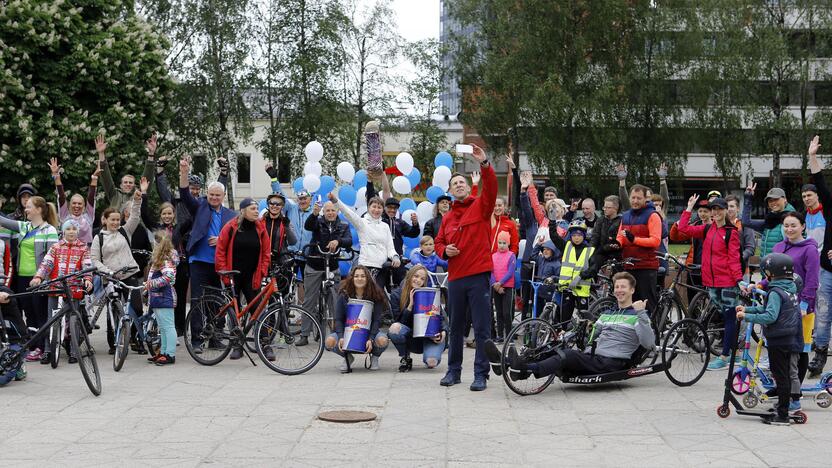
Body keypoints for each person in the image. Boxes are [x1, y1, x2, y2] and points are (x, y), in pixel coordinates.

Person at [485, 272, 654, 382]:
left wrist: (641, 313)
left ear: (632, 290)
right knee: (553, 348)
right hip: (594, 357)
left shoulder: (637, 315)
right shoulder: (607, 314)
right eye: (617, 287)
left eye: (623, 287)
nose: (619, 290)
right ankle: (505, 363)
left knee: (567, 356)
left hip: (612, 362)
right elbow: (590, 336)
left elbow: (648, 343)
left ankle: (523, 368)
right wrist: (569, 334)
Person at [435, 143, 497, 391]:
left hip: (478, 275)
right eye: (454, 184)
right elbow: (439, 242)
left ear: (467, 186)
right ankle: (454, 371)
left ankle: (481, 374)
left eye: (462, 182)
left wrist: (484, 164)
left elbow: (491, 189)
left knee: (482, 328)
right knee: (456, 327)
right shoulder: (447, 217)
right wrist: (444, 251)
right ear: (449, 191)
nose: (459, 185)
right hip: (456, 277)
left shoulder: (481, 206)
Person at [736, 253, 803, 426]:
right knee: (785, 375)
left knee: (780, 376)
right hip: (789, 338)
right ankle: (784, 406)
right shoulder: (789, 289)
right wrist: (748, 310)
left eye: (765, 272)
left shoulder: (775, 292)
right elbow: (766, 308)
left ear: (771, 274)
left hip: (778, 340)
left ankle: (782, 415)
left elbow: (770, 316)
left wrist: (746, 317)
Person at [676, 196, 743, 371]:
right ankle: (732, 348)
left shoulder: (731, 232)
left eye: (719, 209)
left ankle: (725, 355)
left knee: (729, 317)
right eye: (713, 209)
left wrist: (739, 280)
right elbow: (683, 228)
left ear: (725, 211)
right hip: (711, 282)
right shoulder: (707, 229)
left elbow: (734, 259)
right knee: (723, 317)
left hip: (728, 282)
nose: (715, 212)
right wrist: (689, 208)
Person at [760, 211, 818, 407]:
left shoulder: (809, 250)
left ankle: (795, 394)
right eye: (786, 225)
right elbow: (771, 274)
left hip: (800, 307)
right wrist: (759, 285)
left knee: (798, 352)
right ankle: (782, 388)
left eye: (793, 225)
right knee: (779, 351)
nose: (789, 229)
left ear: (803, 226)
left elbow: (812, 280)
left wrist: (805, 304)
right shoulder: (778, 247)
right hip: (780, 308)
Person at [178, 157, 236, 352]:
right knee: (197, 301)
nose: (213, 198)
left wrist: (221, 239)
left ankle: (214, 337)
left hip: (219, 264)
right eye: (211, 194)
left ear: (223, 196)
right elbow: (185, 194)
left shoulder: (230, 215)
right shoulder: (200, 206)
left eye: (217, 195)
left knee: (216, 302)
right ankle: (196, 340)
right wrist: (184, 171)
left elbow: (235, 238)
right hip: (198, 262)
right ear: (207, 194)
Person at [0, 196, 60, 361]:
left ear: (39, 210)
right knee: (29, 314)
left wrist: (41, 278)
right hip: (22, 278)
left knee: (40, 314)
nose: (25, 210)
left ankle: (44, 347)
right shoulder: (24, 227)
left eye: (28, 207)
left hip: (39, 279)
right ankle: (34, 346)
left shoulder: (50, 231)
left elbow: (51, 259)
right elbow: (3, 221)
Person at [215, 198, 272, 360]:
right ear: (243, 211)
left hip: (252, 276)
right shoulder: (231, 227)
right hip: (232, 276)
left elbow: (266, 253)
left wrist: (262, 272)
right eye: (253, 208)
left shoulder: (260, 228)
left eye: (256, 208)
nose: (256, 211)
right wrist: (223, 272)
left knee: (258, 310)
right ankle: (236, 345)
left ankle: (265, 344)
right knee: (235, 312)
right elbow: (220, 250)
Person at [31, 219, 93, 364]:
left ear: (78, 231)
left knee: (74, 320)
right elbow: (46, 263)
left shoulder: (83, 248)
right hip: (55, 287)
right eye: (68, 229)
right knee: (51, 320)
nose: (71, 231)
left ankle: (73, 351)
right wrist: (38, 277)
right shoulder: (56, 247)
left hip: (74, 289)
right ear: (63, 231)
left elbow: (87, 266)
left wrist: (88, 279)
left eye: (74, 229)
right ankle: (48, 350)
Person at [91, 191, 145, 354]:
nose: (115, 222)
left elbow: (135, 216)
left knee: (137, 307)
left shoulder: (125, 231)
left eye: (117, 219)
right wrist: (108, 272)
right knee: (113, 309)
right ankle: (113, 343)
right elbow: (95, 260)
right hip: (111, 278)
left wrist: (137, 200)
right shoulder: (98, 238)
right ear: (105, 220)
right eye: (112, 219)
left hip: (129, 275)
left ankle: (137, 339)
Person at [139, 178, 188, 343]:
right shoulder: (157, 228)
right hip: (161, 268)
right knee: (160, 299)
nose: (167, 216)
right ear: (161, 215)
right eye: (164, 213)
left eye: (170, 213)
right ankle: (160, 330)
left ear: (174, 214)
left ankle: (178, 330)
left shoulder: (179, 228)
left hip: (178, 268)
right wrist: (144, 194)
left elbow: (193, 216)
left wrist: (185, 194)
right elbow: (144, 215)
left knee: (179, 300)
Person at [298, 199, 352, 346]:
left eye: (333, 210)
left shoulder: (343, 225)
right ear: (324, 212)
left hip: (332, 265)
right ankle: (304, 334)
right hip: (314, 264)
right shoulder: (318, 222)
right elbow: (309, 226)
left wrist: (338, 242)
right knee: (309, 300)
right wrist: (314, 214)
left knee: (335, 300)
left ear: (337, 212)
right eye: (327, 210)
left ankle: (337, 333)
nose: (330, 213)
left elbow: (349, 241)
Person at [326, 265, 390, 372]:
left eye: (363, 276)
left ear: (367, 279)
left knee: (383, 340)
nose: (359, 279)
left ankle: (375, 357)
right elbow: (338, 319)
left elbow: (377, 320)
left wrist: (371, 338)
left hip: (369, 332)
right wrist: (341, 337)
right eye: (356, 276)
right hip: (348, 332)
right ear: (352, 278)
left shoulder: (376, 295)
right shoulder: (344, 294)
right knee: (329, 342)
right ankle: (347, 357)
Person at [333, 191, 400, 290]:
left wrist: (395, 257)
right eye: (374, 207)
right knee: (363, 296)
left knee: (378, 299)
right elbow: (348, 213)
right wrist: (335, 201)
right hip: (365, 266)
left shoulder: (385, 226)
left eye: (379, 207)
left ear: (383, 210)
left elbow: (390, 248)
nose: (376, 210)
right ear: (368, 208)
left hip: (381, 268)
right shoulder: (362, 223)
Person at [389, 265, 447, 371]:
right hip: (411, 337)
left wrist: (443, 331)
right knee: (394, 328)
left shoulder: (430, 294)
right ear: (410, 276)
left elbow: (442, 317)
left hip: (430, 336)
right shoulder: (396, 294)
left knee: (432, 362)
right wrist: (410, 305)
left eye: (422, 279)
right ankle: (405, 357)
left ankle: (430, 353)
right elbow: (399, 322)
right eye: (416, 276)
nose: (418, 280)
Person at [615, 185, 662, 311]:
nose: (635, 201)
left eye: (639, 198)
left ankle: (653, 330)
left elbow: (656, 241)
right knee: (629, 304)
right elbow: (620, 236)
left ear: (645, 199)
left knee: (647, 305)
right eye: (633, 198)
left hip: (646, 267)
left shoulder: (653, 215)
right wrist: (616, 244)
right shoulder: (625, 216)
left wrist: (634, 239)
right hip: (629, 265)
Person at [808, 135, 832, 375]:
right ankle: (820, 353)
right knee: (823, 313)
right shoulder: (830, 204)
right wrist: (812, 156)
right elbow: (820, 181)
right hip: (827, 270)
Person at [548, 220, 595, 325]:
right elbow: (554, 237)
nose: (576, 238)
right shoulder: (566, 246)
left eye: (579, 235)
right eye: (574, 235)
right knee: (564, 317)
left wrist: (581, 277)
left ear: (583, 235)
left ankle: (581, 340)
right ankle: (561, 336)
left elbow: (593, 270)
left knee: (583, 319)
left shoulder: (590, 250)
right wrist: (552, 221)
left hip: (581, 290)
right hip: (566, 288)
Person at [96, 133, 156, 210]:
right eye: (125, 182)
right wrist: (101, 153)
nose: (128, 184)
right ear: (121, 185)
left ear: (135, 185)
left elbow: (146, 179)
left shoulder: (139, 195)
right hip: (117, 222)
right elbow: (106, 177)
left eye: (130, 183)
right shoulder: (114, 194)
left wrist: (151, 153)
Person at [145, 231, 179, 366]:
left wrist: (150, 284)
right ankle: (164, 352)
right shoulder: (161, 259)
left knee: (168, 327)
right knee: (163, 327)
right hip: (158, 298)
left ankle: (170, 354)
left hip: (165, 297)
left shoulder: (164, 259)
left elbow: (169, 277)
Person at [49, 158, 99, 245]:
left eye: (79, 204)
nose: (77, 205)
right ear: (69, 205)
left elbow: (91, 197)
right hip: (67, 253)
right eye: (74, 203)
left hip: (85, 254)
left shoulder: (88, 217)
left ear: (84, 206)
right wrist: (56, 176)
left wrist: (94, 178)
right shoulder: (64, 216)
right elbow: (61, 196)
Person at [742, 182, 795, 258]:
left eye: (776, 199)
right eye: (770, 201)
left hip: (784, 267)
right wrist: (748, 197)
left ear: (785, 199)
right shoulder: (770, 220)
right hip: (766, 267)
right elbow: (746, 222)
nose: (773, 203)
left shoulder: (793, 219)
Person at [670, 199, 711, 288]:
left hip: (708, 268)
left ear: (711, 213)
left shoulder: (715, 227)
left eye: (705, 211)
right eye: (700, 211)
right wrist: (676, 225)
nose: (702, 214)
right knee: (692, 297)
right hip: (693, 267)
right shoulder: (695, 225)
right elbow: (675, 237)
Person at [491, 232, 517, 342]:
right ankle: (500, 335)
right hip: (496, 287)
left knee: (507, 313)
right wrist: (495, 285)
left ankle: (509, 335)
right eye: (500, 243)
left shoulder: (511, 255)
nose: (501, 245)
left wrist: (500, 283)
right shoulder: (493, 256)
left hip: (507, 287)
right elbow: (491, 271)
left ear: (508, 244)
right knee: (499, 312)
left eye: (504, 243)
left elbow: (510, 272)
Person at [726, 194, 757, 276]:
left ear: (738, 209)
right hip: (722, 270)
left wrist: (737, 259)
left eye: (732, 206)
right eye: (727, 206)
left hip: (741, 269)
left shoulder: (745, 224)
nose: (729, 209)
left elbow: (750, 248)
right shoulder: (720, 224)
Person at [261, 193, 297, 264]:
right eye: (272, 203)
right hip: (262, 260)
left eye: (278, 204)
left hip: (280, 262)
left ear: (282, 206)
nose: (275, 206)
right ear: (268, 205)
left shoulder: (286, 222)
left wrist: (286, 227)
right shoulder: (260, 222)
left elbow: (293, 242)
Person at [801, 183, 825, 251]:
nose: (806, 199)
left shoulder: (826, 213)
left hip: (825, 257)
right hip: (809, 257)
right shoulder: (803, 215)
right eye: (804, 196)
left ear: (817, 195)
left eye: (809, 195)